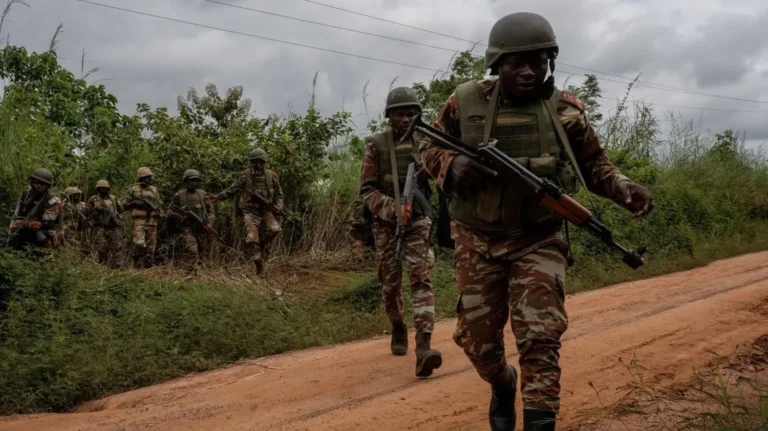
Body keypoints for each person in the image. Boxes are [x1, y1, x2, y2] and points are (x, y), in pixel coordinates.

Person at [417, 12, 654, 430]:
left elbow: (594, 164)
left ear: (550, 62)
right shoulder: (465, 102)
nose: (528, 71)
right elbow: (425, 143)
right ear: (497, 65)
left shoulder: (566, 112)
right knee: (477, 343)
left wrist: (623, 187)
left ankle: (539, 420)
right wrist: (451, 165)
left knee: (540, 338)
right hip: (476, 239)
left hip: (539, 239)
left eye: (538, 62)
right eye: (516, 63)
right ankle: (502, 382)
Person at [359, 86, 441, 378]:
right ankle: (397, 325)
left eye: (410, 114)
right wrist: (392, 208)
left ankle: (424, 347)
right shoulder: (376, 145)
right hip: (385, 223)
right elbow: (366, 191)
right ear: (389, 116)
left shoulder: (426, 142)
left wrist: (431, 171)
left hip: (418, 220)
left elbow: (444, 174)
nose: (405, 119)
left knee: (421, 277)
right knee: (390, 285)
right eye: (399, 114)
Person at [206, 148, 283, 276]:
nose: (257, 164)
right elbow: (232, 190)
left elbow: (279, 195)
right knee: (252, 239)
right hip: (250, 212)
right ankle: (259, 266)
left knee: (275, 229)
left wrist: (278, 206)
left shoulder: (272, 176)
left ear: (264, 162)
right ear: (251, 163)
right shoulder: (245, 176)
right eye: (254, 162)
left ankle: (262, 243)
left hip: (266, 211)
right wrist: (217, 197)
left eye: (259, 161)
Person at [168, 169, 215, 275]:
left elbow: (211, 211)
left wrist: (209, 223)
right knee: (193, 249)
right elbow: (169, 211)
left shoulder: (203, 194)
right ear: (186, 181)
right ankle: (188, 272)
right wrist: (179, 217)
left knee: (202, 249)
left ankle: (198, 271)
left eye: (196, 180)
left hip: (201, 227)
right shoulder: (179, 195)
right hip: (187, 227)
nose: (194, 183)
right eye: (192, 180)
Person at [6, 168, 63, 252]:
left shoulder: (53, 200)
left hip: (48, 231)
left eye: (43, 184)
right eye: (36, 183)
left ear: (48, 185)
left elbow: (46, 223)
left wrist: (20, 223)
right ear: (32, 182)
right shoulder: (27, 195)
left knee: (40, 235)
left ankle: (47, 256)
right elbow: (18, 213)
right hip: (29, 228)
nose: (39, 186)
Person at [123, 167, 163, 268]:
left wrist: (158, 212)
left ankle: (147, 266)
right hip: (139, 220)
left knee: (151, 247)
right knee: (139, 243)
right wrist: (135, 203)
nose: (148, 180)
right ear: (140, 178)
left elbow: (158, 204)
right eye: (146, 177)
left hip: (152, 220)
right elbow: (125, 205)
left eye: (149, 177)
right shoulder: (133, 190)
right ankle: (136, 260)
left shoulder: (154, 190)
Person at [86, 180, 124, 268]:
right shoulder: (93, 199)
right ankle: (102, 265)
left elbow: (121, 210)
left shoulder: (113, 198)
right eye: (101, 188)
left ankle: (118, 266)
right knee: (102, 247)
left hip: (114, 226)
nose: (103, 190)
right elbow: (87, 212)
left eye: (105, 188)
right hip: (100, 227)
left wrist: (119, 218)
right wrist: (96, 211)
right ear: (97, 189)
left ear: (108, 189)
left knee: (117, 246)